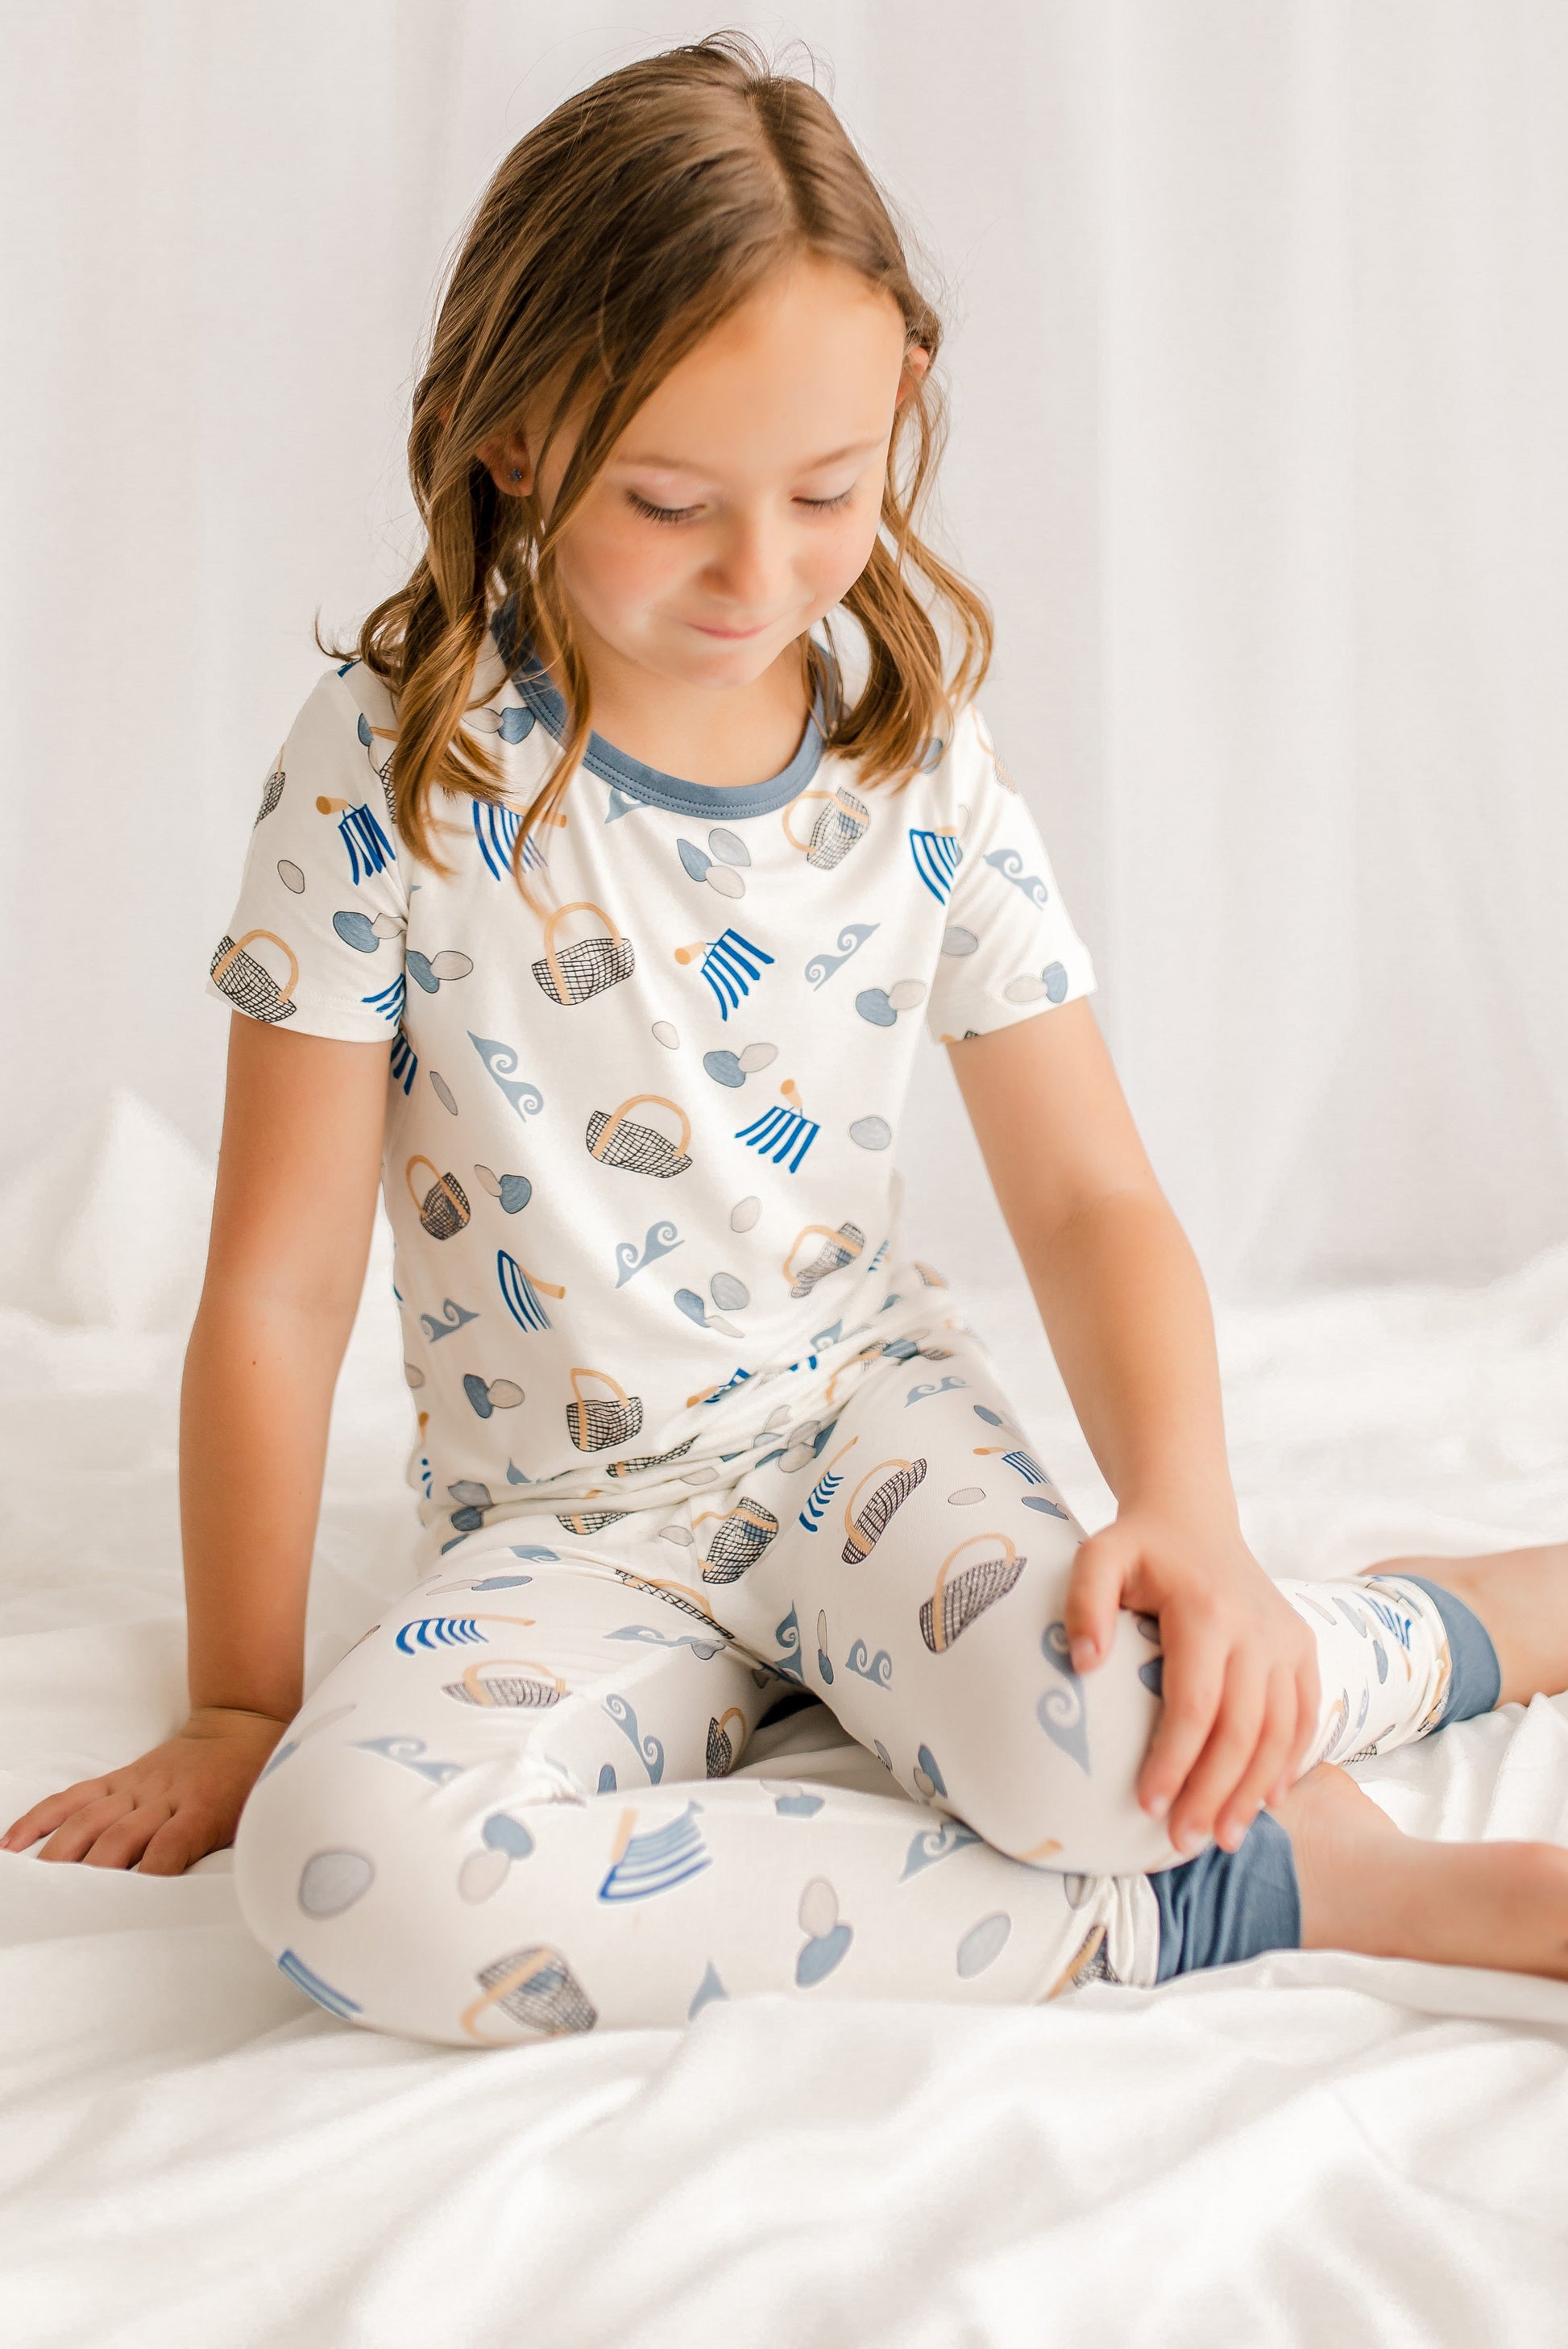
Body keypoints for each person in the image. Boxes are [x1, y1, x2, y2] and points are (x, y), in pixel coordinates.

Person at [5, 35, 1566, 2044]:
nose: (759, 575)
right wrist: (237, 1702)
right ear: (509, 439)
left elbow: (1089, 1194)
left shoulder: (919, 767)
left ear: (898, 403)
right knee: (348, 1885)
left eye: (824, 493)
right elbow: (281, 1284)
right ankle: (1267, 1883)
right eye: (670, 504)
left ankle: (1448, 1626)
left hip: (861, 1438)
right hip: (566, 1536)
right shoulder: (387, 774)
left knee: (1100, 1744)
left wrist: (1187, 1511)